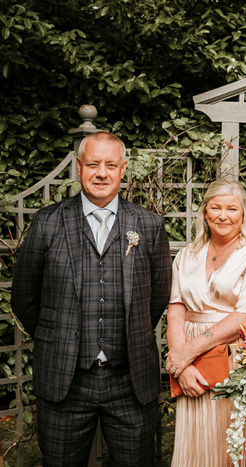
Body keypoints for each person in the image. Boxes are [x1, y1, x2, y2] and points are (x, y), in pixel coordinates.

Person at [11, 131, 172, 466]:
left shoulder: (148, 224)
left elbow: (157, 298)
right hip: (64, 382)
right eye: (94, 164)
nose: (102, 172)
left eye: (110, 165)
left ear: (123, 169)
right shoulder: (47, 222)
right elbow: (25, 297)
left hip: (130, 381)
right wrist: (58, 339)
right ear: (79, 167)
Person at [165, 178, 246, 467]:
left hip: (236, 359)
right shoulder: (187, 255)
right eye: (215, 207)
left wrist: (188, 351)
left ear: (243, 215)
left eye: (232, 209)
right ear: (205, 212)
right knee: (195, 443)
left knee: (232, 443)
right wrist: (182, 367)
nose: (223, 215)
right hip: (189, 361)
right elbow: (176, 309)